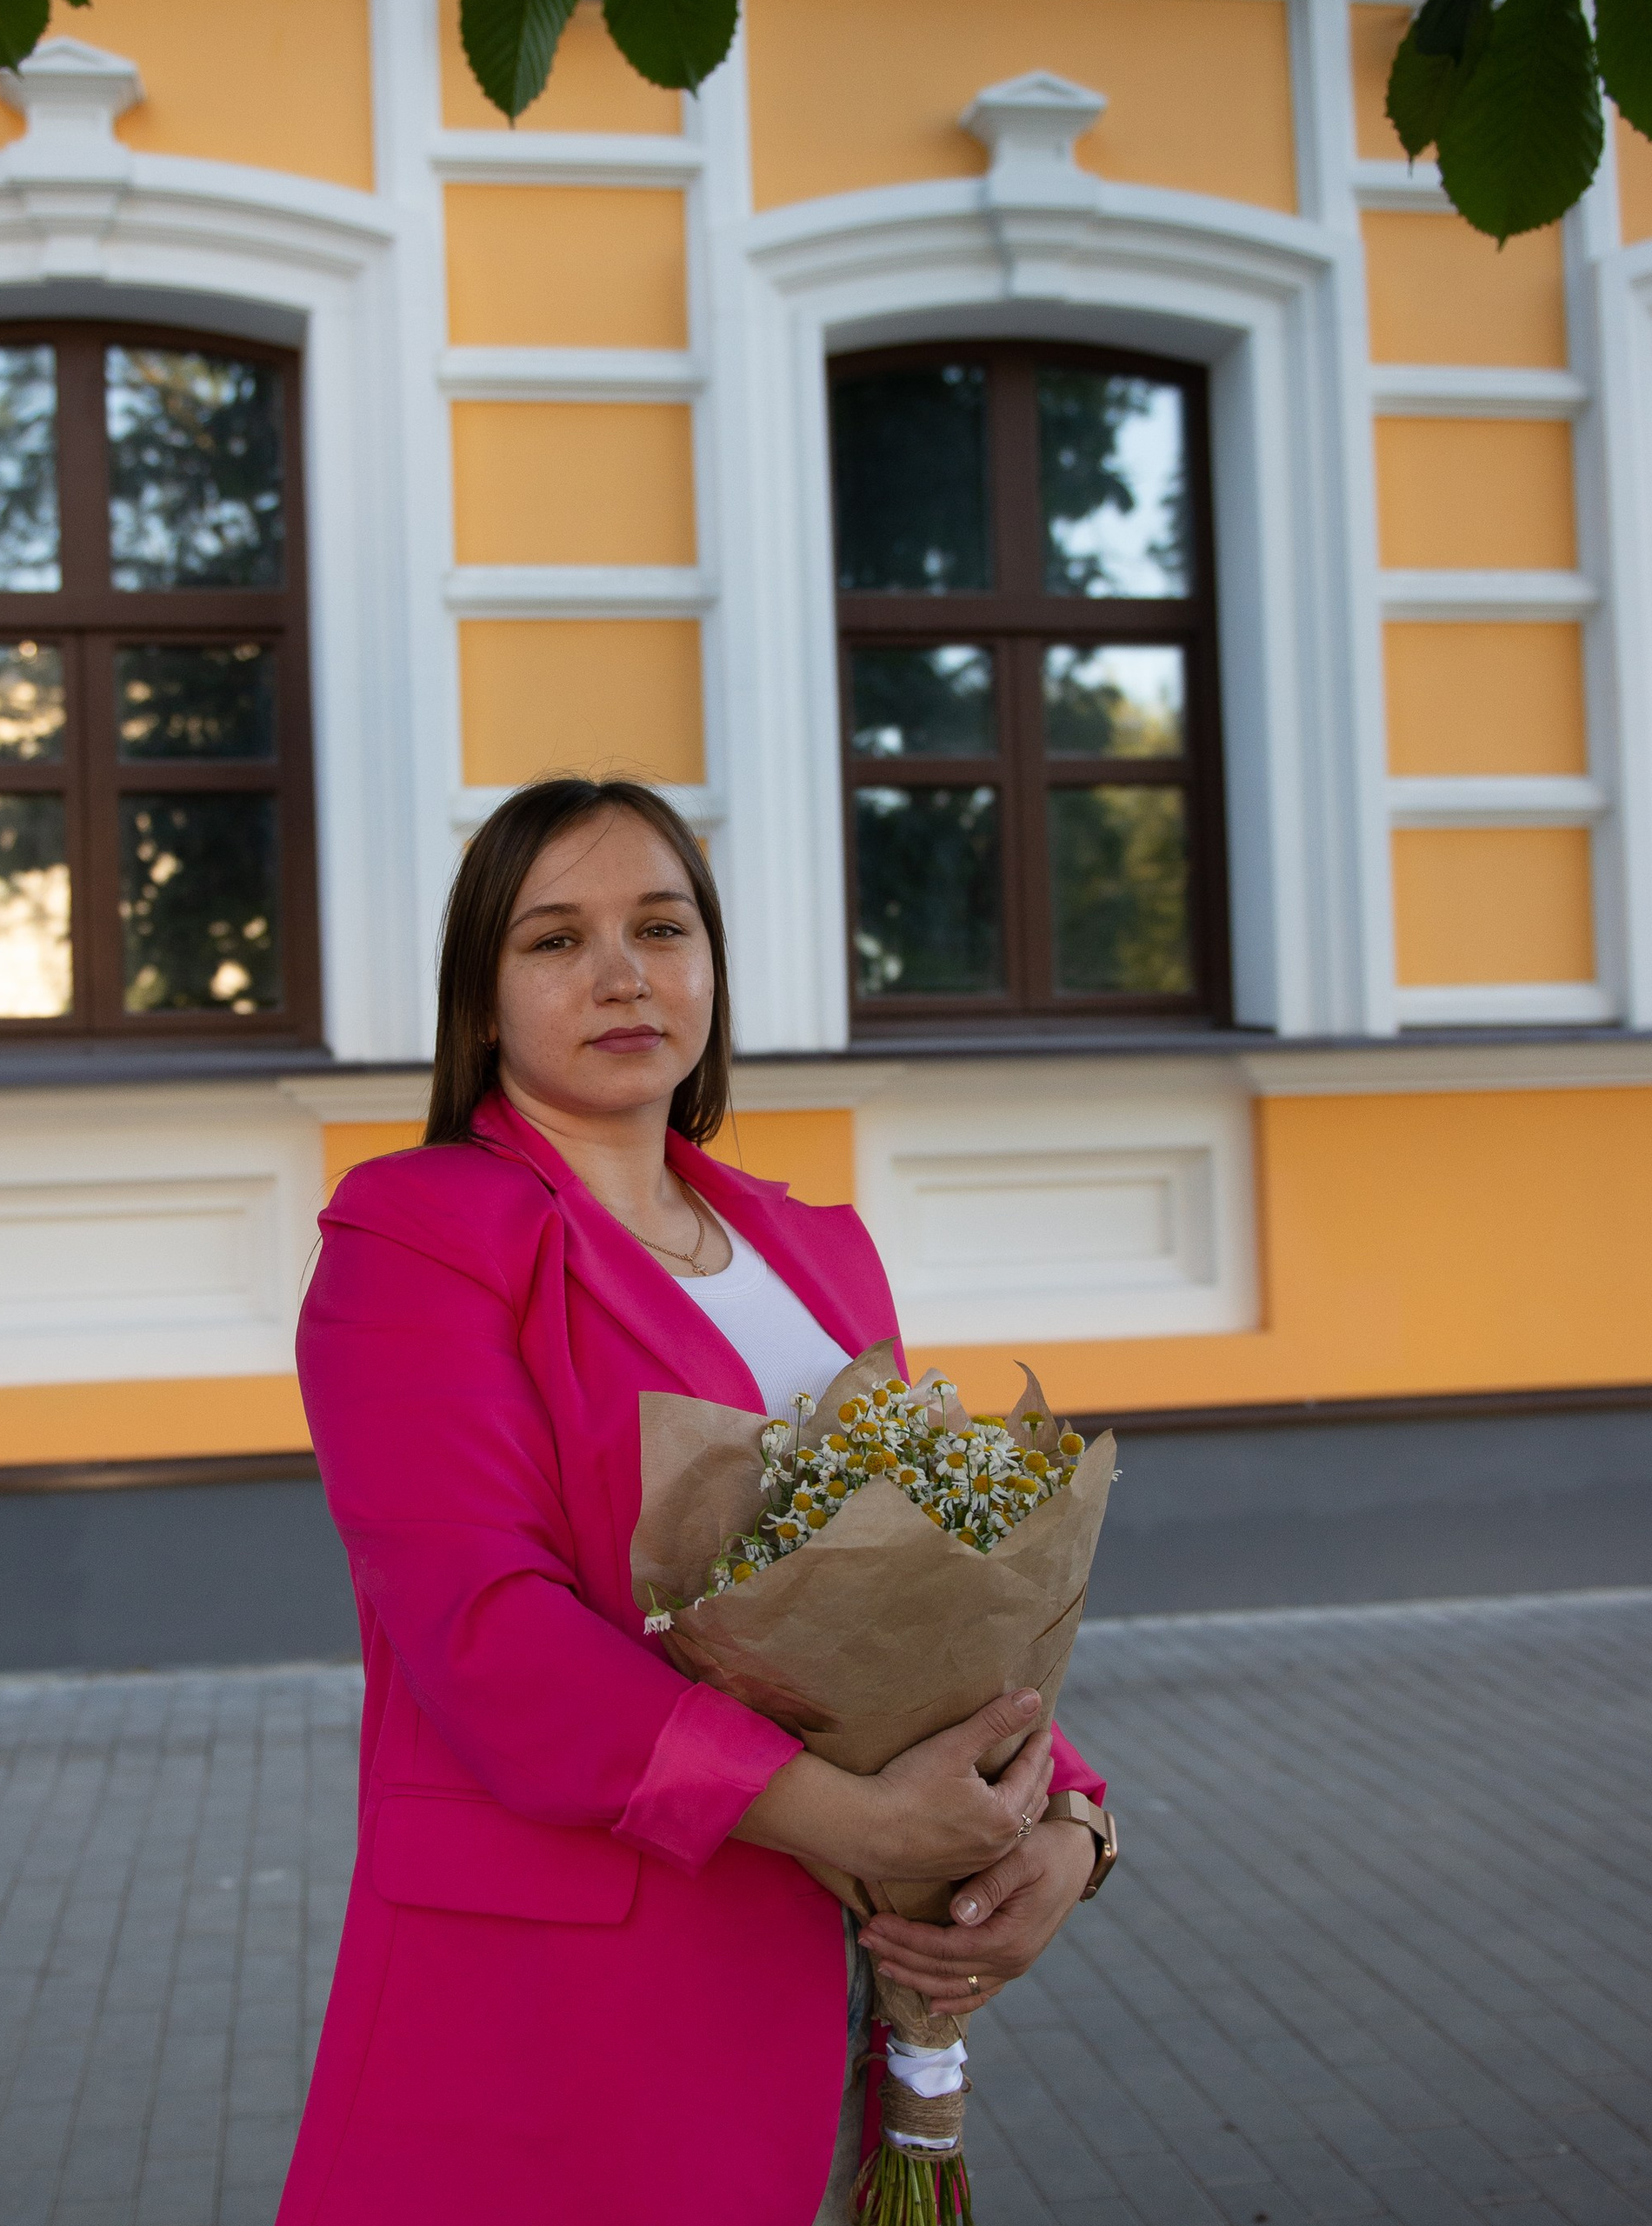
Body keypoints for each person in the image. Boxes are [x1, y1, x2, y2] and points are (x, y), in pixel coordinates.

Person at [277, 778, 1110, 2226]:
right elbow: (488, 1632)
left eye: (660, 927)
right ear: (479, 1002)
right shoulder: (420, 1236)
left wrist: (1068, 1829)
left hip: (806, 1967)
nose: (620, 975)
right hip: (556, 1997)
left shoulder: (817, 1253)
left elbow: (917, 1587)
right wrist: (852, 1824)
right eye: (553, 940)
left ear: (711, 969)